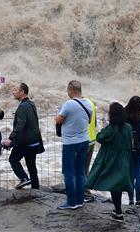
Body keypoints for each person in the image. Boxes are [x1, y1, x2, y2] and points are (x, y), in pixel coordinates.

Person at [85, 102, 133, 222]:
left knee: (113, 185)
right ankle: (117, 211)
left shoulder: (111, 129)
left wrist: (104, 127)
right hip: (125, 160)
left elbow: (100, 137)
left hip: (112, 161)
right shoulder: (128, 127)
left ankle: (119, 212)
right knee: (117, 186)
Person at [55, 80, 93, 210]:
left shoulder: (69, 104)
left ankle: (71, 202)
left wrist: (58, 112)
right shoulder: (88, 103)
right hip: (84, 141)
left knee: (69, 172)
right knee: (80, 172)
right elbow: (88, 121)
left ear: (70, 90)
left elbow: (59, 120)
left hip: (70, 143)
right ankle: (80, 200)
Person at [2, 83, 41, 190]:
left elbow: (20, 125)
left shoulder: (22, 106)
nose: (13, 92)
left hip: (25, 142)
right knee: (31, 166)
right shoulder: (31, 104)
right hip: (34, 141)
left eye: (15, 90)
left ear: (22, 92)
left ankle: (24, 178)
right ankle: (35, 188)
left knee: (13, 159)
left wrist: (10, 139)